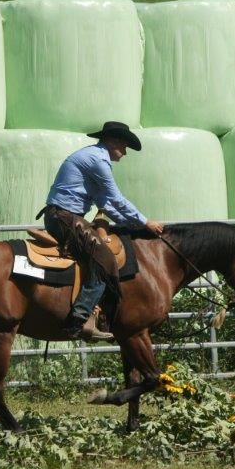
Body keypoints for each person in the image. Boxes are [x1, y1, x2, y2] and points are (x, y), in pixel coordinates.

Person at [42, 121, 165, 340]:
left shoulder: (92, 157)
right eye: (124, 146)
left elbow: (104, 203)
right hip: (64, 217)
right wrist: (145, 222)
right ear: (113, 141)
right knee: (105, 260)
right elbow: (116, 198)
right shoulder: (99, 161)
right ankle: (79, 320)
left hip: (65, 216)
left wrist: (130, 225)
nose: (125, 152)